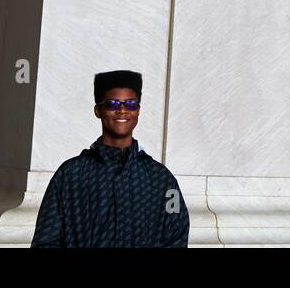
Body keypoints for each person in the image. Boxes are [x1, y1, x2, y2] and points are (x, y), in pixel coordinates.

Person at [31, 70, 189, 247]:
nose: (122, 110)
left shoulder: (162, 179)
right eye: (112, 104)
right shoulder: (69, 175)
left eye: (130, 104)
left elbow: (176, 237)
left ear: (138, 111)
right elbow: (46, 241)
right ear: (98, 110)